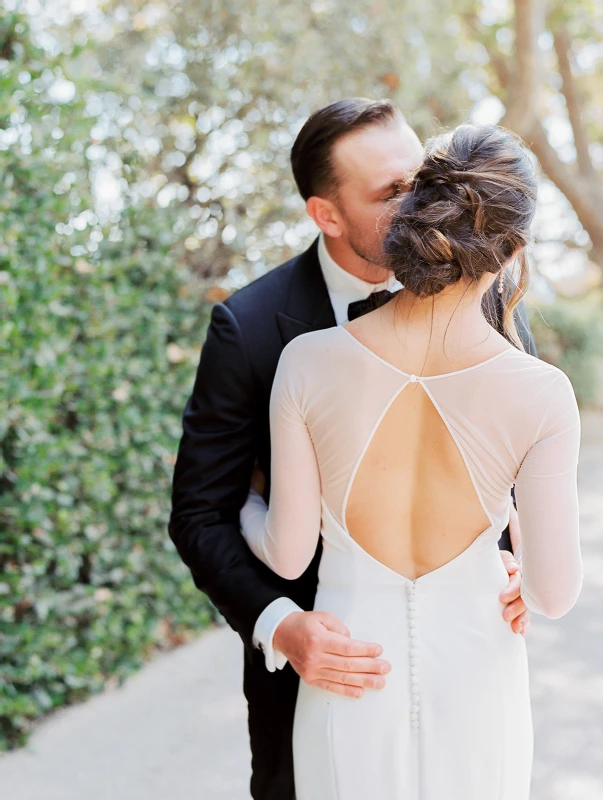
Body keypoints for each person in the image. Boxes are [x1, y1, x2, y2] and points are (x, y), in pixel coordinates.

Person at [169, 100, 536, 800]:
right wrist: (281, 628)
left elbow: (510, 472)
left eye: (420, 178)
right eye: (390, 193)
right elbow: (198, 515)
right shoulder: (248, 329)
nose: (423, 203)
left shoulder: (488, 296)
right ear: (325, 215)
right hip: (324, 675)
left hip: (468, 664)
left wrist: (515, 561)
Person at [239, 122, 583, 799]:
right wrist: (516, 567)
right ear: (512, 248)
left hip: (349, 673)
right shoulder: (540, 391)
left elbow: (285, 557)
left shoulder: (306, 361)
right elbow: (551, 593)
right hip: (478, 678)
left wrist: (246, 504)